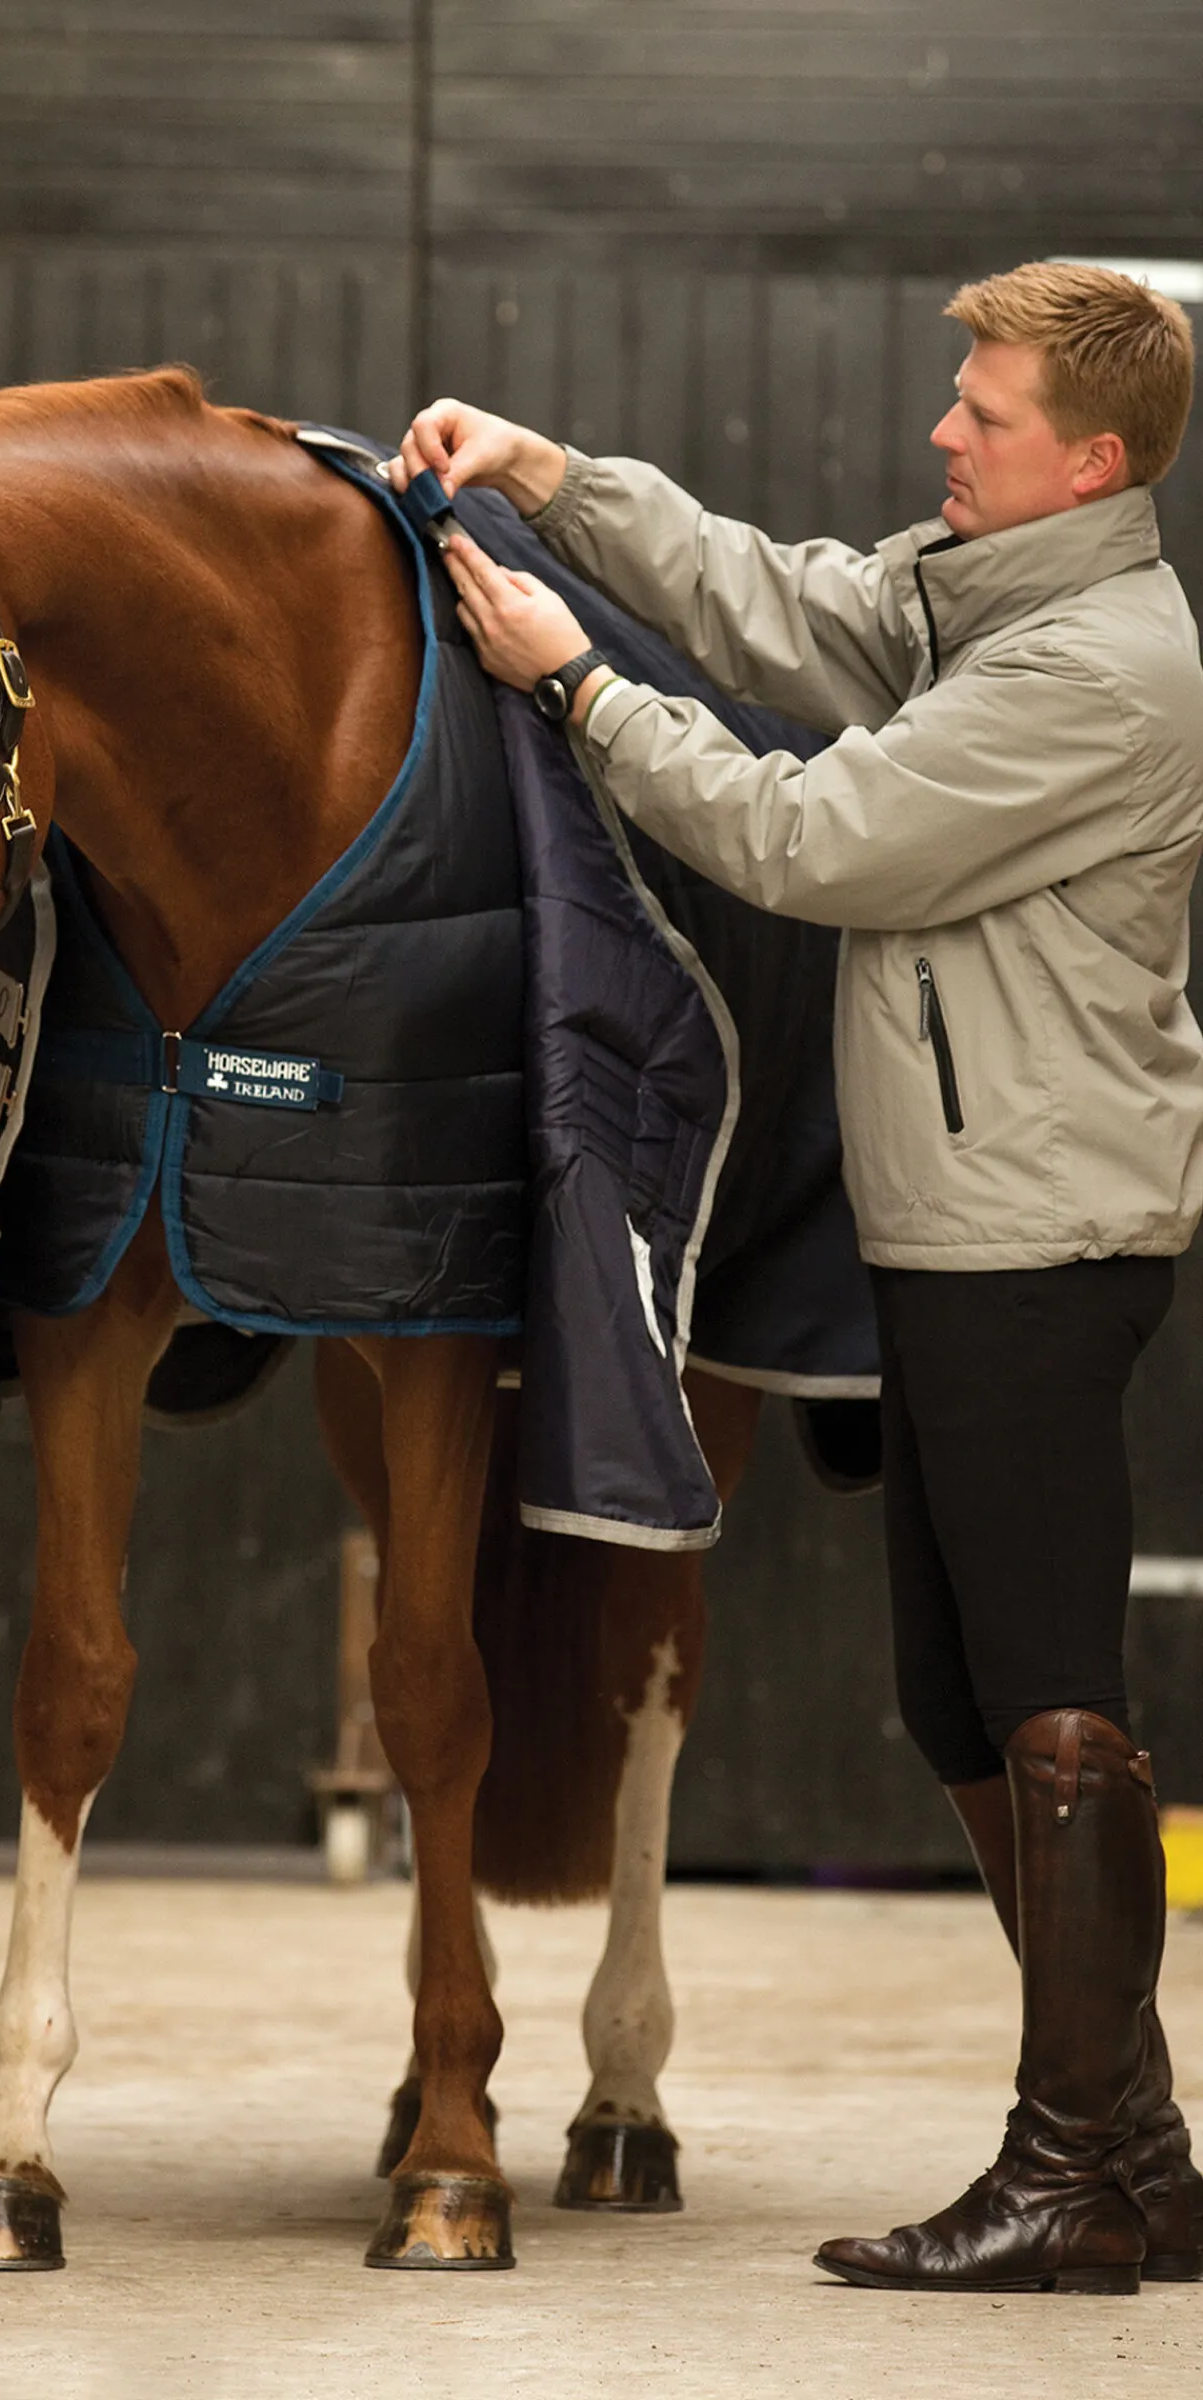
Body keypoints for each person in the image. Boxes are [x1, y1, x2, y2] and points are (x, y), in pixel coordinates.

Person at [393, 261, 1203, 2295]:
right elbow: (773, 598)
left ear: (1091, 460)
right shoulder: (984, 602)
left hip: (1035, 1232)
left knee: (1048, 1704)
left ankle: (1071, 2169)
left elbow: (805, 839)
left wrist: (575, 690)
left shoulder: (1090, 672)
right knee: (963, 1693)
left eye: (985, 411)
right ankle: (1133, 2152)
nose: (944, 430)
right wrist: (554, 480)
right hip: (964, 1218)